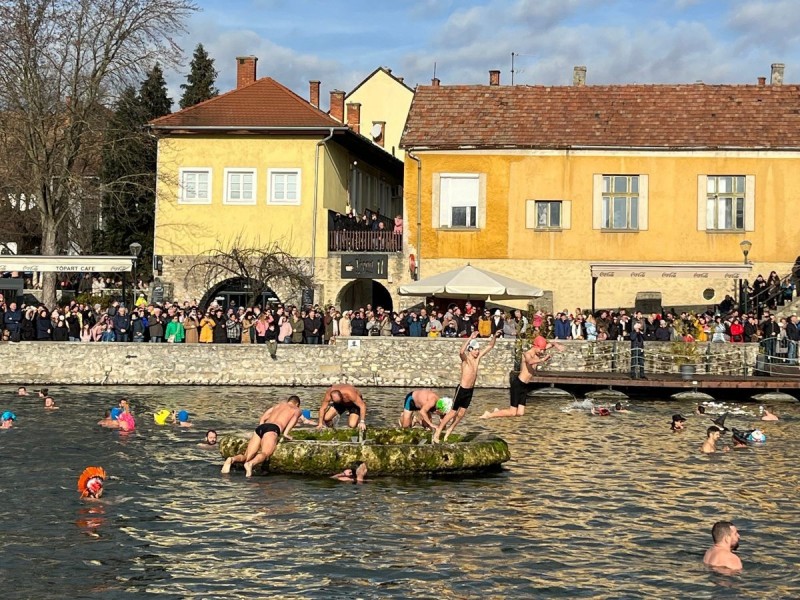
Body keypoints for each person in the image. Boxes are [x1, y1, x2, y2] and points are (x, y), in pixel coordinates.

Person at [433, 331, 499, 443]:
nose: (477, 352)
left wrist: (495, 336)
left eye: (478, 350)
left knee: (461, 414)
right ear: (470, 350)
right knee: (453, 412)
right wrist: (470, 338)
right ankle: (438, 431)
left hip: (470, 390)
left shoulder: (477, 359)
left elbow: (490, 346)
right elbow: (461, 352)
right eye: (475, 350)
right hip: (462, 390)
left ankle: (450, 429)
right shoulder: (466, 360)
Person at [481, 336, 562, 419]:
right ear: (536, 346)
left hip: (525, 385)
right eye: (541, 349)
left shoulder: (539, 351)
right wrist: (542, 360)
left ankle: (497, 412)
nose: (542, 352)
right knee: (512, 413)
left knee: (520, 413)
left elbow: (550, 345)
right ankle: (489, 414)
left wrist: (556, 345)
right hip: (518, 384)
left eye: (543, 350)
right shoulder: (527, 354)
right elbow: (530, 361)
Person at [221, 395, 302, 478]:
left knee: (246, 456)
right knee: (265, 453)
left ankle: (232, 459)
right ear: (297, 404)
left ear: (288, 400)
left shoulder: (277, 406)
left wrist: (262, 431)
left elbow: (263, 418)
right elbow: (294, 419)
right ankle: (250, 464)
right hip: (273, 428)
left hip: (261, 428)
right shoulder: (296, 409)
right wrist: (286, 433)